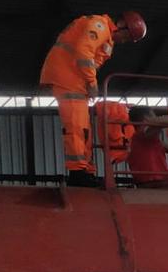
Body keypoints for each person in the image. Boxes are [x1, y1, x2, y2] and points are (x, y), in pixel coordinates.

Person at [39, 11, 147, 186]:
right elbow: (84, 52)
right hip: (68, 78)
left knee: (83, 128)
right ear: (121, 25)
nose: (124, 41)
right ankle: (77, 172)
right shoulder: (99, 25)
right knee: (76, 126)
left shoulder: (106, 37)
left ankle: (85, 170)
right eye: (127, 37)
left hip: (75, 80)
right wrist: (92, 83)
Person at [126, 107, 168, 188]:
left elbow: (161, 144)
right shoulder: (143, 134)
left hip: (148, 181)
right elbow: (160, 123)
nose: (155, 117)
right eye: (153, 115)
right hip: (155, 181)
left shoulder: (137, 139)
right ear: (146, 118)